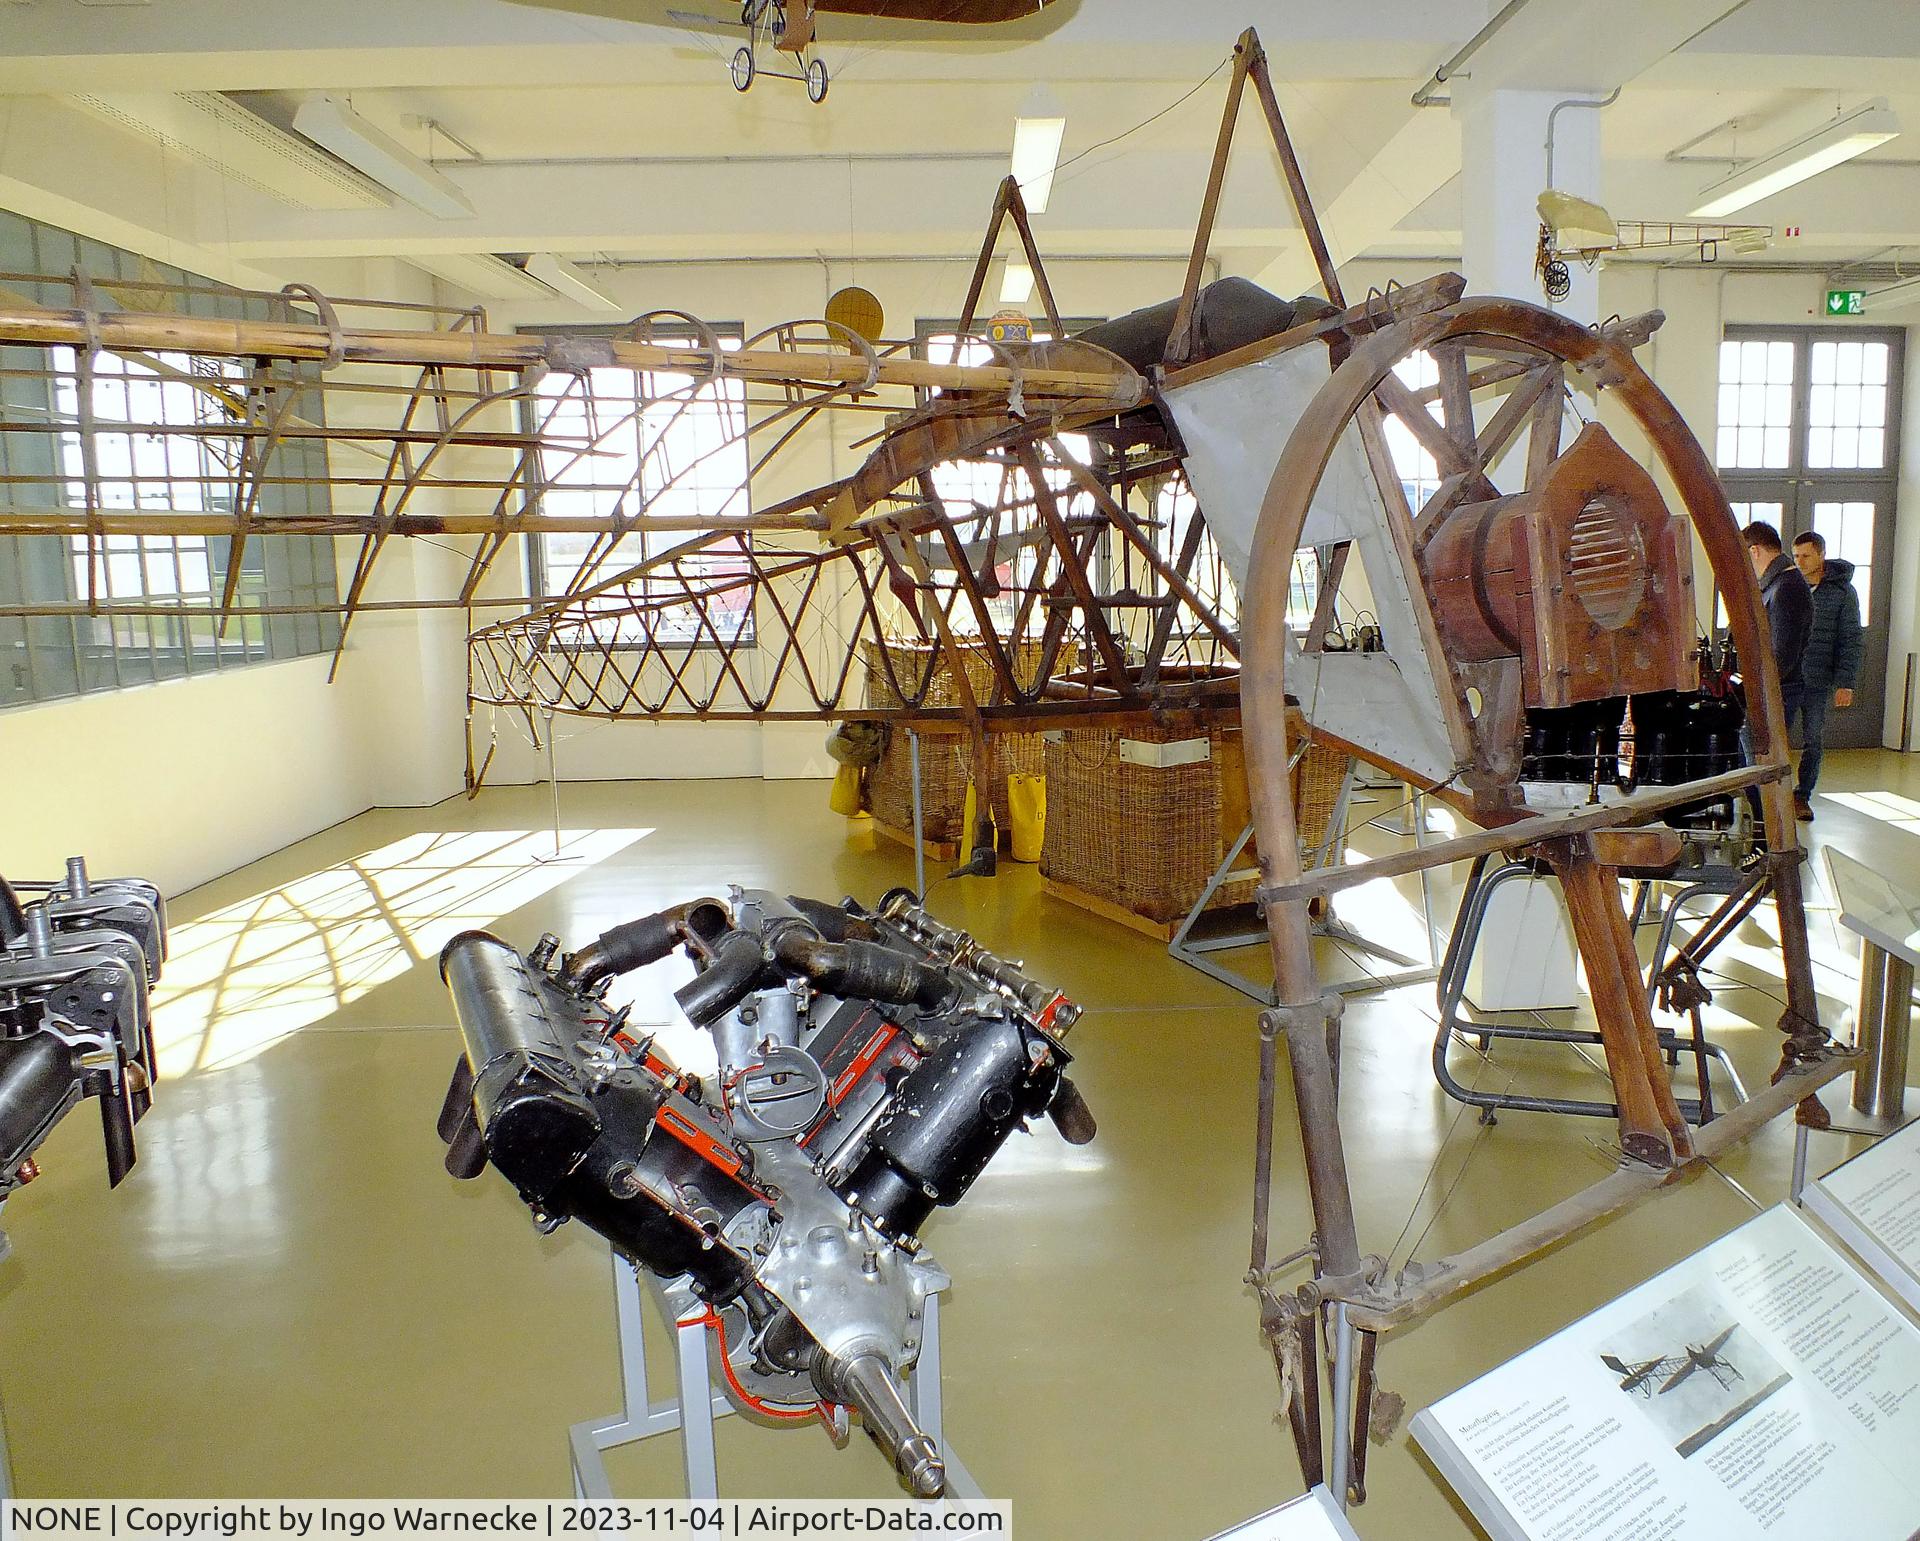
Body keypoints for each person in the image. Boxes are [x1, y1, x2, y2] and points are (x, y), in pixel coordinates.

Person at [1740, 521, 1811, 830]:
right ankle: (1761, 825)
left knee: (1761, 761)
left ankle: (1764, 829)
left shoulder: (1787, 587)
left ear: (1755, 550)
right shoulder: (1781, 584)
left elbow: (1781, 655)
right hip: (1773, 690)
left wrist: (1755, 690)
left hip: (1776, 693)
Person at [1788, 530, 1864, 820]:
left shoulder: (1842, 592)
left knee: (1813, 739)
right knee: (1775, 739)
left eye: (1806, 555)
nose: (1800, 561)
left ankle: (1802, 795)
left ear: (1821, 554)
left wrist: (1845, 682)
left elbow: (1850, 637)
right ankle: (1772, 795)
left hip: (1818, 681)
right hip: (1786, 679)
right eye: (1796, 556)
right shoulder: (1789, 584)